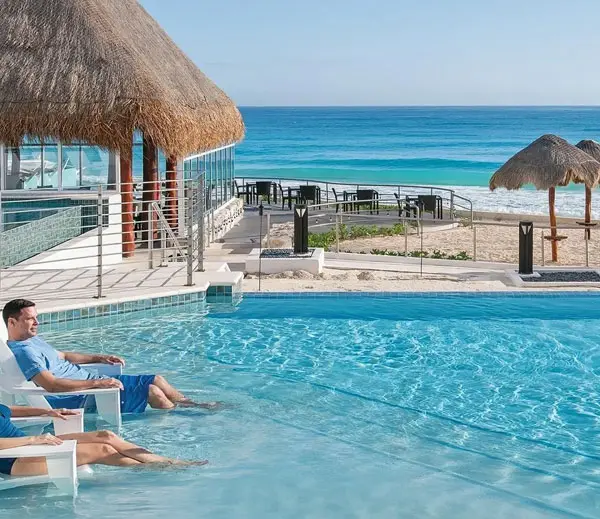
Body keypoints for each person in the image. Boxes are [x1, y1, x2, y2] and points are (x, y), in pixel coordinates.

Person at [2, 299, 219, 413]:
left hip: (90, 381)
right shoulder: (24, 352)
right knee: (153, 392)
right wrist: (97, 383)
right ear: (12, 322)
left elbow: (65, 355)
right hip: (83, 394)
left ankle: (192, 407)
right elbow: (51, 385)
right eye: (31, 319)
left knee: (156, 379)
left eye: (36, 318)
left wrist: (100, 357)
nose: (37, 323)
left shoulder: (32, 339)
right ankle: (181, 419)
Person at [0, 405, 206, 476]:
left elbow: (8, 410)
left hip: (32, 445)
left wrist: (46, 411)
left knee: (106, 436)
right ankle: (162, 467)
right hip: (16, 459)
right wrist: (33, 439)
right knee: (103, 450)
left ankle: (161, 461)